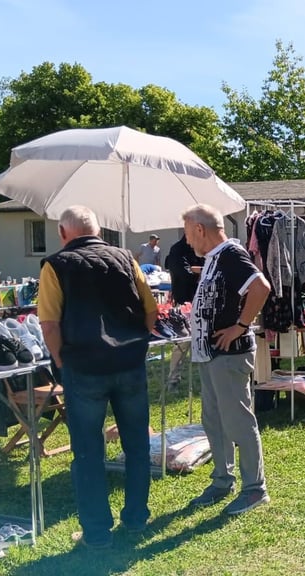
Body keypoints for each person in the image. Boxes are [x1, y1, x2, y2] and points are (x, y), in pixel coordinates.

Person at [38, 206, 157, 549]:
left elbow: (49, 324)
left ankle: (96, 533)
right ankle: (135, 520)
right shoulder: (125, 258)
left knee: (88, 453)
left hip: (84, 368)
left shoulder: (55, 265)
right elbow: (150, 308)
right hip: (128, 364)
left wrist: (61, 362)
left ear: (63, 233)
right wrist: (138, 344)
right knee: (137, 446)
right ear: (98, 231)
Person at [183, 204, 272, 516]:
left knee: (238, 421)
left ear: (199, 229)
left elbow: (261, 287)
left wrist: (240, 326)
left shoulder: (231, 254)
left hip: (230, 355)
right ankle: (223, 480)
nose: (187, 241)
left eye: (187, 232)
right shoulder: (212, 259)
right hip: (210, 354)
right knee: (215, 420)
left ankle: (254, 489)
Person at [164, 235, 204, 389]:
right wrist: (201, 271)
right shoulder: (178, 250)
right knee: (183, 342)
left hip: (200, 301)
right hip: (184, 303)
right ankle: (173, 379)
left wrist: (198, 270)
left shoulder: (201, 249)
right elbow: (184, 274)